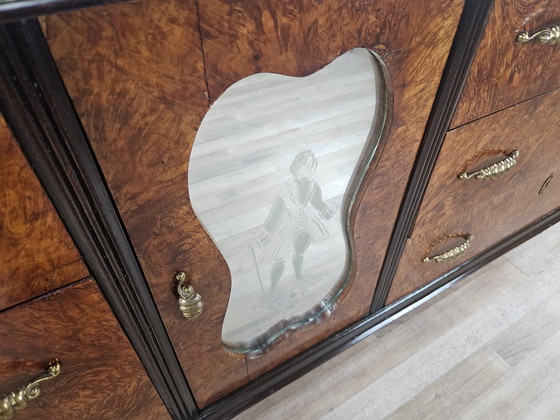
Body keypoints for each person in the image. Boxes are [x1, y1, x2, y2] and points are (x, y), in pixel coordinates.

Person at [255, 150, 338, 294]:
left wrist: (326, 210)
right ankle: (273, 288)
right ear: (297, 167)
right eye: (307, 165)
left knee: (301, 247)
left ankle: (298, 276)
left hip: (306, 221)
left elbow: (317, 202)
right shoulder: (286, 190)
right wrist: (267, 230)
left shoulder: (313, 185)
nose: (310, 169)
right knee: (281, 255)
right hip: (289, 223)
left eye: (312, 166)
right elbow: (276, 213)